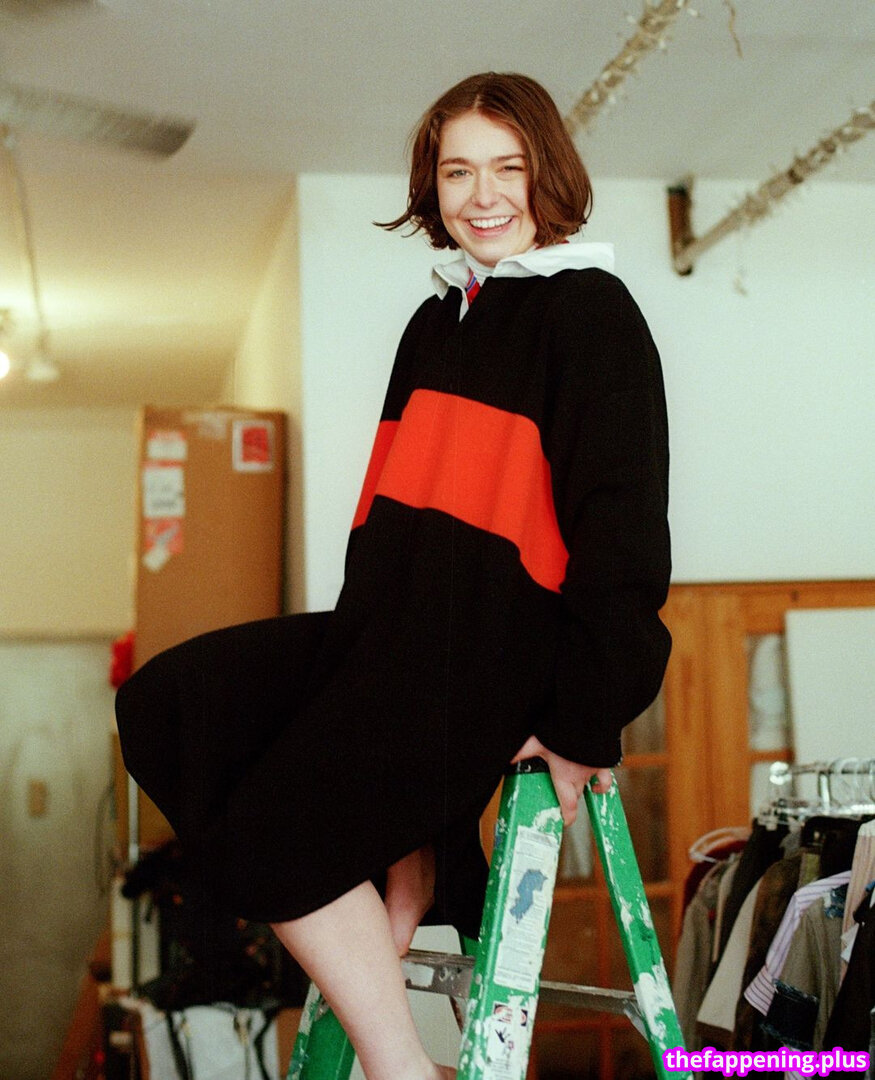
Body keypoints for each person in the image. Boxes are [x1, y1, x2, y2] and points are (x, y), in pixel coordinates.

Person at [116, 72, 671, 1080]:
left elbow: (623, 531)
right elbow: (385, 512)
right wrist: (351, 651)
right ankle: (405, 875)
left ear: (549, 175)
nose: (482, 195)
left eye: (508, 168)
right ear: (432, 185)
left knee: (274, 838)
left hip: (495, 654)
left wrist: (585, 716)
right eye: (457, 172)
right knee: (168, 702)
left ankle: (398, 1067)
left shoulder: (589, 310)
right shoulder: (435, 321)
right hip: (388, 637)